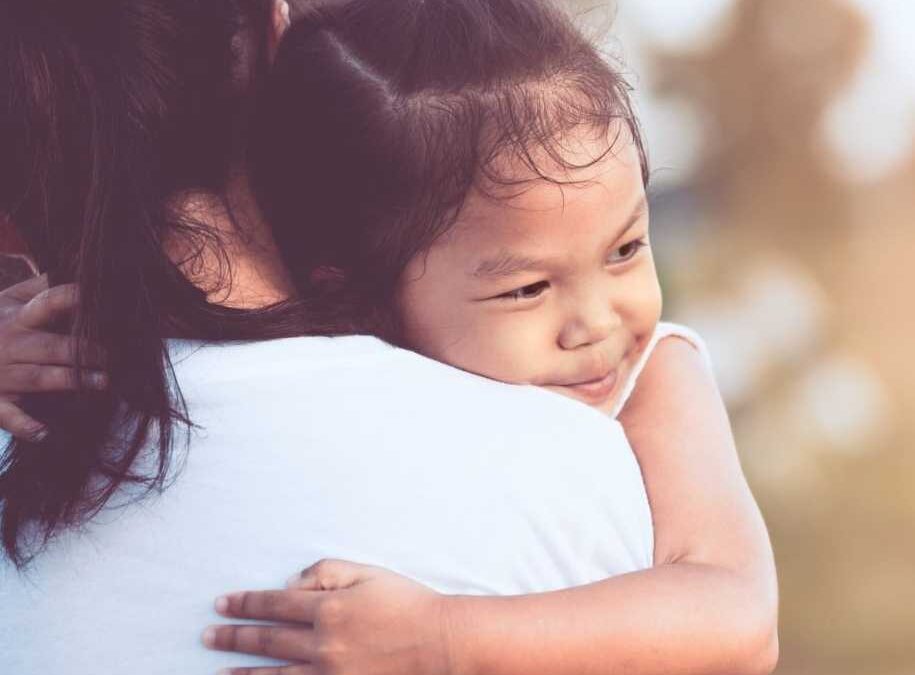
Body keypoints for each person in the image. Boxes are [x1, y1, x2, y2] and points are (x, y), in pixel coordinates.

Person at [0, 2, 776, 674]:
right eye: (525, 288)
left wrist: (451, 637)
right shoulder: (534, 458)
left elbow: (739, 615)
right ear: (367, 290)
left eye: (626, 249)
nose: (598, 325)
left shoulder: (659, 380)